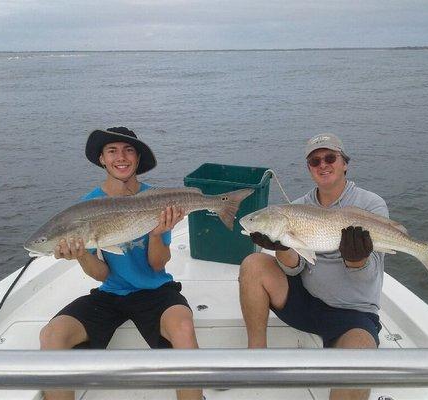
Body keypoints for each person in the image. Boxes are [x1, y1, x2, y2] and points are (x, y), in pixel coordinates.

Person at [39, 127, 202, 400]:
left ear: (137, 159)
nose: (121, 157)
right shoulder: (86, 208)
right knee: (52, 335)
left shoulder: (159, 200)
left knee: (184, 328)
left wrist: (155, 233)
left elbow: (158, 265)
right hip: (110, 294)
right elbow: (102, 274)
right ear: (102, 158)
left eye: (128, 150)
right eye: (112, 151)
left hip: (155, 290)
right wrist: (81, 254)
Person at [239, 133, 387, 400]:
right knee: (253, 263)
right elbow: (295, 268)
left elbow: (371, 275)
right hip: (307, 301)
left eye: (330, 157)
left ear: (345, 163)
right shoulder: (297, 208)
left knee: (361, 359)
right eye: (314, 160)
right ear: (309, 169)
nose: (323, 164)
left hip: (352, 313)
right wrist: (283, 248)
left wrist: (356, 259)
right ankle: (255, 357)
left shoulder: (371, 204)